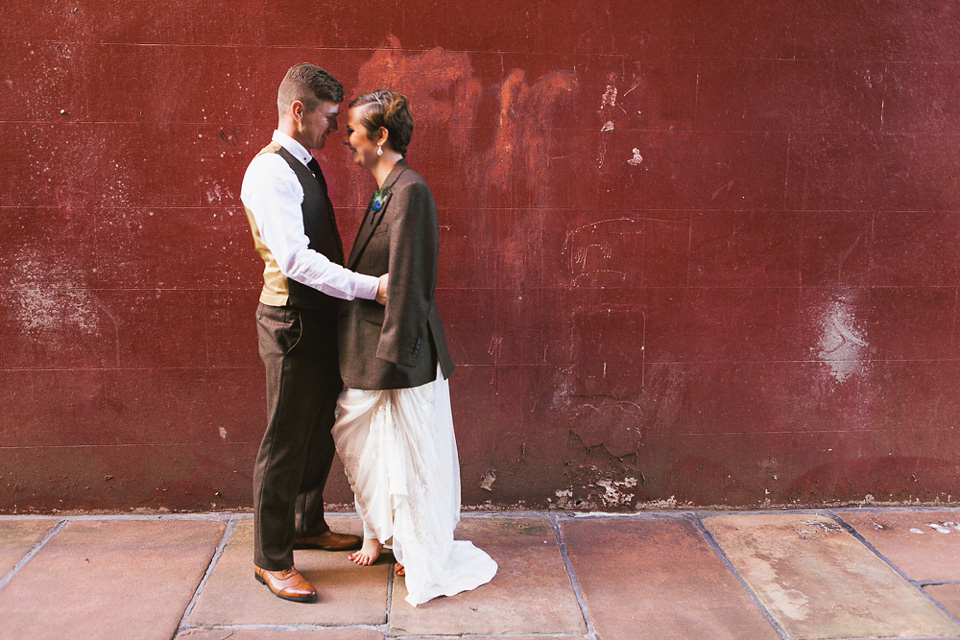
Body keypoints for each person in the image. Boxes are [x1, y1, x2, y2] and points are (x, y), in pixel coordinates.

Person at [333, 89, 498, 606]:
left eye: (354, 132)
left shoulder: (411, 191)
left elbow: (410, 282)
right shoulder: (388, 188)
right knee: (376, 446)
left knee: (411, 458)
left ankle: (418, 547)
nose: (348, 142)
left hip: (400, 358)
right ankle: (388, 535)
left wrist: (390, 361)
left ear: (380, 137)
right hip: (380, 352)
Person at [240, 63, 388, 604]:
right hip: (292, 322)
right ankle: (271, 558)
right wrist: (371, 288)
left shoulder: (303, 163)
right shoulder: (270, 172)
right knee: (284, 440)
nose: (334, 128)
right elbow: (297, 261)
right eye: (328, 116)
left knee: (317, 430)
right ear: (298, 111)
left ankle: (306, 523)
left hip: (319, 319)